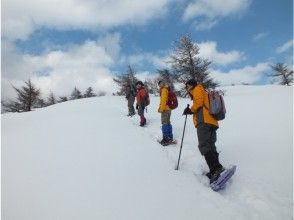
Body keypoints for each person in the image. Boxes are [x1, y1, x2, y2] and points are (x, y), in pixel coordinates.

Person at [183, 79, 224, 183]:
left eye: (187, 86)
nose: (187, 89)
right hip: (213, 122)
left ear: (190, 85)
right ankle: (216, 168)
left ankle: (215, 170)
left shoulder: (197, 89)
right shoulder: (203, 91)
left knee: (204, 145)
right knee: (210, 144)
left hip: (203, 121)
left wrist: (190, 110)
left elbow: (199, 102)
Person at [157, 80, 174, 146]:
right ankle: (170, 137)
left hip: (165, 109)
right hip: (169, 108)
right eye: (159, 84)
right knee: (168, 122)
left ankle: (165, 139)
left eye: (161, 83)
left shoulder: (164, 90)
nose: (160, 85)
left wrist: (161, 109)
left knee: (164, 123)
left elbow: (164, 100)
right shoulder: (167, 89)